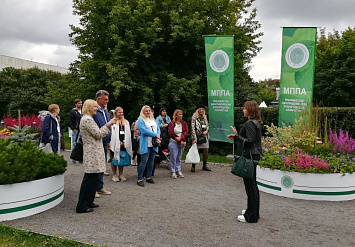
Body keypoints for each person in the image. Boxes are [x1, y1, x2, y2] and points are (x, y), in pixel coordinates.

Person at [76, 99, 116, 213]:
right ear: (89, 107)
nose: (97, 109)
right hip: (92, 152)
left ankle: (89, 201)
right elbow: (98, 134)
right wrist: (108, 124)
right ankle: (82, 206)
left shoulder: (88, 118)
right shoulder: (87, 119)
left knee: (93, 179)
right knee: (89, 179)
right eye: (94, 107)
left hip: (94, 151)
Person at [227, 100, 263, 223]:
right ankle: (252, 211)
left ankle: (251, 216)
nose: (243, 110)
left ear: (249, 110)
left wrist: (236, 136)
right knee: (252, 186)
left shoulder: (249, 123)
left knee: (250, 186)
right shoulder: (255, 122)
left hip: (250, 157)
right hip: (254, 156)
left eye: (244, 108)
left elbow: (250, 141)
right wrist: (236, 136)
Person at [92, 90, 112, 198]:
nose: (107, 101)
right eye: (105, 99)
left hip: (104, 141)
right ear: (98, 99)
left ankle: (100, 187)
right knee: (96, 166)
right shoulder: (94, 111)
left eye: (107, 99)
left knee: (102, 165)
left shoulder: (104, 111)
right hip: (96, 142)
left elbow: (108, 126)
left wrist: (108, 140)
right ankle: (93, 188)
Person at [137, 105, 161, 187]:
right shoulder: (140, 120)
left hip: (153, 143)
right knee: (144, 161)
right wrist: (155, 135)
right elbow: (143, 131)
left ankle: (148, 176)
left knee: (151, 161)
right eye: (146, 111)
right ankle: (139, 178)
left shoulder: (153, 119)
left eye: (149, 110)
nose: (148, 112)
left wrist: (158, 136)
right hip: (146, 143)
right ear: (143, 112)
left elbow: (158, 128)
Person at [110, 107, 133, 182]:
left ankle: (121, 174)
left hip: (124, 143)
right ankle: (114, 174)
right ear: (116, 113)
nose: (121, 114)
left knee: (122, 157)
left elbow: (128, 134)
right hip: (115, 143)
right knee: (114, 158)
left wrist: (124, 142)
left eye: (122, 112)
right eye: (119, 112)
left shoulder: (126, 122)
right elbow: (111, 134)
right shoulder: (113, 122)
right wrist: (117, 142)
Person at [168, 109, 188, 178]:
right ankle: (172, 171)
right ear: (176, 115)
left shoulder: (184, 123)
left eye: (181, 114)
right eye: (179, 114)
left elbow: (186, 132)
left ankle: (178, 170)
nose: (180, 116)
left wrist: (181, 137)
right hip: (174, 141)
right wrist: (178, 139)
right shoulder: (172, 123)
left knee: (179, 157)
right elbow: (171, 133)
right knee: (173, 157)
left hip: (182, 141)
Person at [191, 105, 211, 172]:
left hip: (204, 136)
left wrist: (206, 130)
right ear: (197, 110)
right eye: (200, 109)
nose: (202, 110)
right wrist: (194, 138)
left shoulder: (205, 117)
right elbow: (192, 128)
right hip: (197, 136)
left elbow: (207, 125)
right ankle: (193, 166)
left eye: (203, 109)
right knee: (196, 151)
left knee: (206, 150)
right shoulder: (194, 118)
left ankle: (204, 165)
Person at [68, 99, 82, 163]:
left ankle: (80, 157)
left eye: (81, 103)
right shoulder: (73, 112)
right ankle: (74, 158)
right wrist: (73, 128)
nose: (80, 104)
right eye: (79, 103)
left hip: (81, 130)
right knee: (75, 143)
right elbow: (70, 121)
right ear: (76, 104)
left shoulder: (82, 111)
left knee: (81, 144)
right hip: (76, 130)